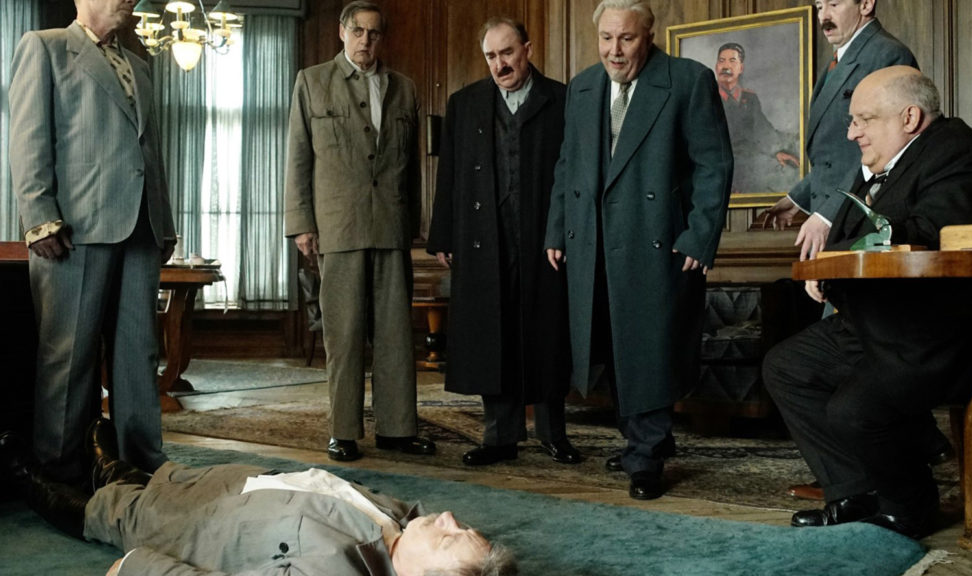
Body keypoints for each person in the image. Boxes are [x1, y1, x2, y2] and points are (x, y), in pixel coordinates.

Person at [762, 66, 972, 538]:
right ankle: (856, 490)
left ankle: (911, 505)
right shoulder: (888, 162)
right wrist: (830, 271)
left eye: (864, 119)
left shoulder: (954, 150)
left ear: (910, 117)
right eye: (853, 121)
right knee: (786, 367)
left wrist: (839, 262)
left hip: (925, 333)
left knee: (854, 411)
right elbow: (854, 233)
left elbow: (931, 236)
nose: (852, 132)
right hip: (871, 323)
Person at [544, 0, 733, 500]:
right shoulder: (583, 86)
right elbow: (568, 164)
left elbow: (714, 165)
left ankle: (646, 457)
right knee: (611, 344)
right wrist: (556, 229)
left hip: (657, 240)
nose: (614, 50)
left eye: (626, 38)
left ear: (648, 36)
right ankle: (642, 441)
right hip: (593, 241)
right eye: (606, 38)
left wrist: (700, 235)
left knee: (649, 347)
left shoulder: (687, 80)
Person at [8, 0, 176, 484]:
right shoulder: (45, 48)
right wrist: (40, 216)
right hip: (73, 230)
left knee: (139, 353)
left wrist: (163, 223)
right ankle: (59, 472)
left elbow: (150, 152)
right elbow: (27, 137)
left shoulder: (140, 65)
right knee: (69, 356)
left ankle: (139, 463)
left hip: (140, 229)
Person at [0, 420, 517, 576]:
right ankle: (111, 467)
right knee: (152, 479)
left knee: (111, 509)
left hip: (199, 522)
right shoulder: (402, 521)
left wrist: (137, 569)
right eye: (460, 526)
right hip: (235, 484)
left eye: (449, 538)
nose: (450, 517)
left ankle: (24, 477)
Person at [284, 1, 435, 462]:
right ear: (342, 32)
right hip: (338, 226)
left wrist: (413, 225)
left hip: (390, 226)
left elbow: (411, 167)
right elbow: (298, 157)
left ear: (381, 38)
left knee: (395, 335)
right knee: (345, 335)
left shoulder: (404, 88)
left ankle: (397, 429)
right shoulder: (312, 81)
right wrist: (301, 224)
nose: (365, 40)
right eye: (358, 31)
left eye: (373, 33)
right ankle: (343, 432)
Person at [426, 18, 579, 467]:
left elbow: (576, 173)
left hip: (545, 236)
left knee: (547, 333)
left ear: (527, 49)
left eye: (507, 53)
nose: (500, 64)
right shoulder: (465, 103)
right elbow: (449, 173)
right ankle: (499, 437)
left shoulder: (562, 99)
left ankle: (554, 434)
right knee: (492, 334)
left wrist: (570, 230)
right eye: (491, 56)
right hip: (483, 236)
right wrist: (444, 234)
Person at [762, 0, 916, 260]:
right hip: (840, 218)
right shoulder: (839, 59)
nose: (824, 16)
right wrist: (797, 198)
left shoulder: (887, 54)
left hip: (862, 221)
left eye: (834, 4)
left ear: (866, 4)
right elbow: (836, 155)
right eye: (819, 6)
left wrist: (827, 215)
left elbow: (888, 152)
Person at [714, 42, 800, 194]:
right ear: (716, 67)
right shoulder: (705, 95)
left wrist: (776, 151)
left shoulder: (749, 98)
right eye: (722, 61)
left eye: (732, 61)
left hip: (748, 161)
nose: (726, 66)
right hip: (717, 163)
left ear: (741, 68)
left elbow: (761, 128)